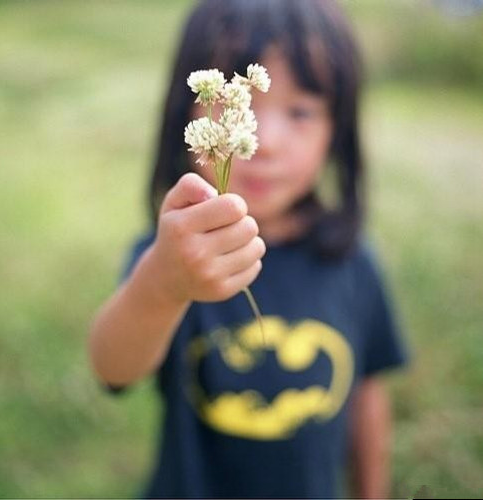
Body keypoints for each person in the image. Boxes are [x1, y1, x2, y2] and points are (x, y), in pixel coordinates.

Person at [88, 0, 409, 498]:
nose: (264, 141)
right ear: (185, 112)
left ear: (337, 133)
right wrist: (164, 284)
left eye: (301, 111)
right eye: (237, 111)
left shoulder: (353, 262)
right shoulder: (173, 253)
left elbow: (366, 394)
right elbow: (112, 370)